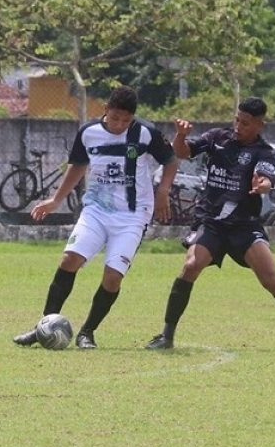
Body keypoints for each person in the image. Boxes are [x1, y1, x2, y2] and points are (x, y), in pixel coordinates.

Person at [145, 97, 275, 351]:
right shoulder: (217, 138)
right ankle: (167, 335)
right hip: (212, 222)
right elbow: (181, 151)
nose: (238, 126)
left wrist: (262, 185)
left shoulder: (263, 151)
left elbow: (266, 179)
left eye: (245, 123)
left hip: (245, 225)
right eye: (236, 120)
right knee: (191, 265)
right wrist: (180, 135)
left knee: (272, 282)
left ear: (259, 125)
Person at [13, 86, 178, 349]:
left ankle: (87, 332)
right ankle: (42, 326)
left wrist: (164, 191)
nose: (120, 125)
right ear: (105, 110)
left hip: (133, 216)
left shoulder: (145, 132)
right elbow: (78, 165)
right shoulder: (88, 133)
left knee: (113, 276)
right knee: (70, 259)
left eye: (126, 120)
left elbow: (171, 160)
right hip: (96, 211)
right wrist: (56, 200)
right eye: (115, 118)